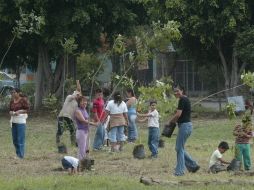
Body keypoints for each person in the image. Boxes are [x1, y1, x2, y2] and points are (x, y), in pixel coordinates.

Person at [169, 84, 200, 176]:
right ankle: (193, 165)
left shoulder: (182, 99)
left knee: (179, 148)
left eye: (177, 90)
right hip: (186, 126)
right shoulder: (185, 99)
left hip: (185, 126)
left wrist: (170, 122)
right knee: (179, 148)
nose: (176, 93)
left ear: (182, 91)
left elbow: (178, 114)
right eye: (174, 91)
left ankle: (180, 171)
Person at [56, 80, 81, 147]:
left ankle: (73, 143)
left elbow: (75, 113)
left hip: (70, 118)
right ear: (75, 94)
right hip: (63, 116)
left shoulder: (76, 103)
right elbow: (77, 92)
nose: (79, 96)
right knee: (60, 130)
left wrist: (75, 120)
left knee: (73, 130)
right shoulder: (69, 97)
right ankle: (57, 141)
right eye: (77, 94)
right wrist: (78, 84)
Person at [9, 88, 29, 159]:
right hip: (14, 121)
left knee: (20, 139)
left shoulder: (23, 100)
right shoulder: (12, 101)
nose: (13, 94)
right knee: (15, 139)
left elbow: (27, 109)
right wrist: (11, 112)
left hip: (21, 122)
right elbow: (10, 110)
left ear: (18, 93)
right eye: (12, 93)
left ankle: (20, 155)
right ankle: (18, 154)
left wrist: (19, 112)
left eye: (14, 92)